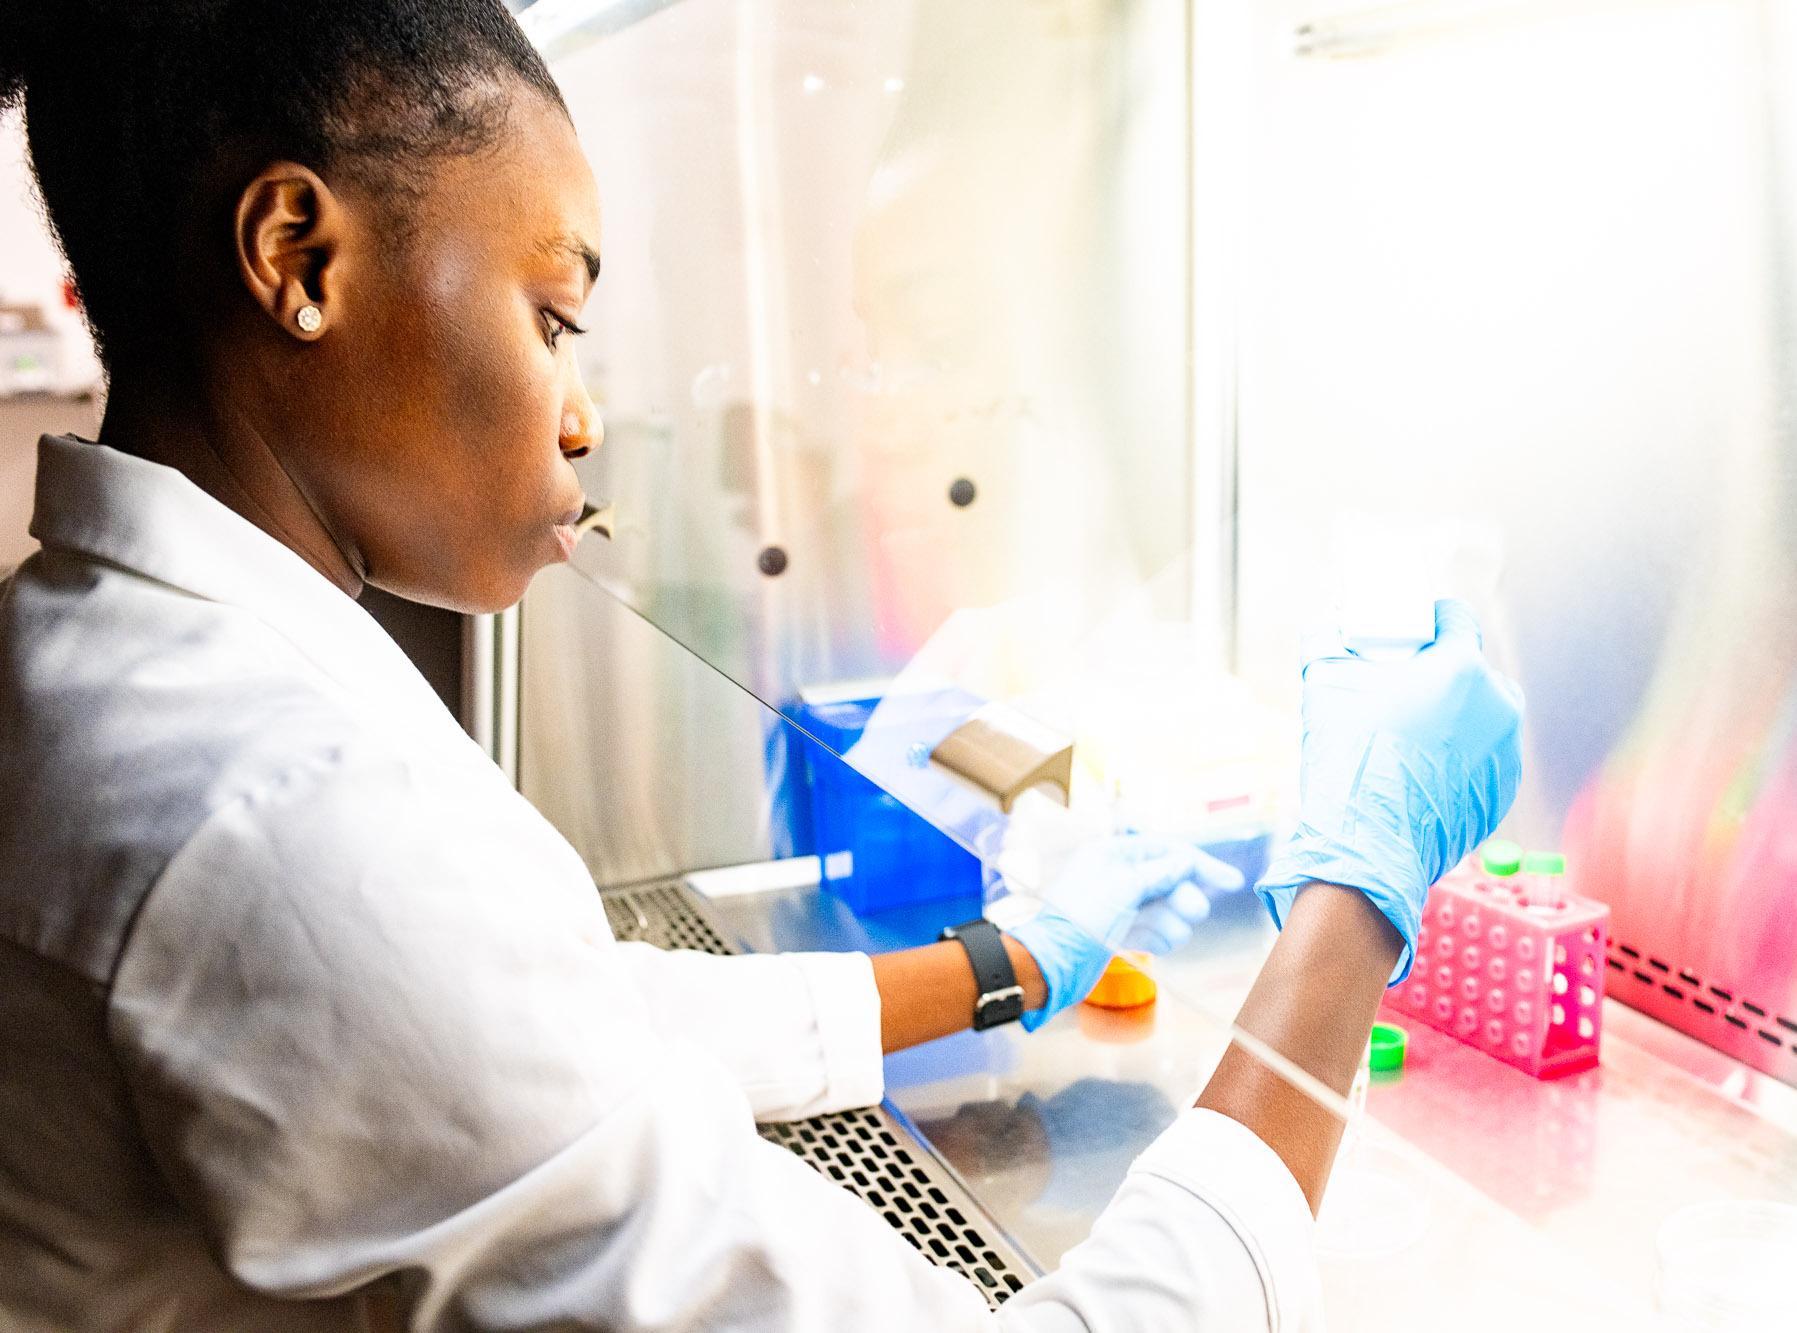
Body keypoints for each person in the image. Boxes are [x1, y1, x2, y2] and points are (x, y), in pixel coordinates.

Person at [0, 3, 1525, 1329]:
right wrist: (1355, 905)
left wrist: (1006, 963)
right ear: (295, 256)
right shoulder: (273, 817)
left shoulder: (128, 667)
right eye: (553, 318)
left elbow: (543, 1023)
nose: (583, 418)